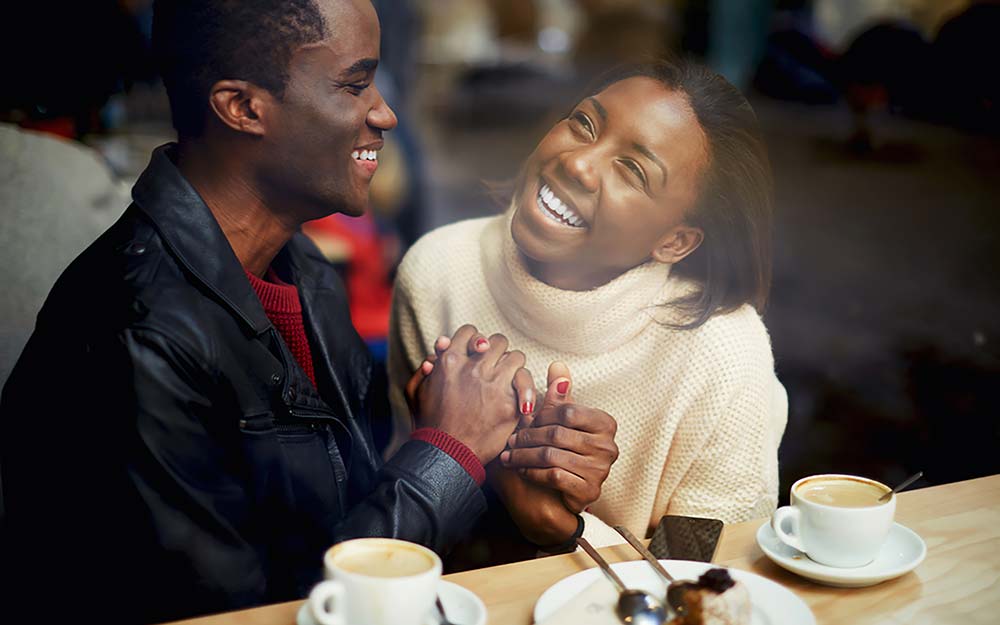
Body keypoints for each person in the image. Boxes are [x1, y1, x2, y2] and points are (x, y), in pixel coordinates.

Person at [0, 1, 599, 621]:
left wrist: (506, 494)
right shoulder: (135, 338)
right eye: (354, 85)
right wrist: (446, 452)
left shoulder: (302, 270)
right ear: (242, 107)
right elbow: (258, 613)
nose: (385, 113)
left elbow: (339, 533)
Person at [389, 59, 788, 549]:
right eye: (584, 124)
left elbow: (704, 571)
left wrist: (561, 527)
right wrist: (466, 455)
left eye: (633, 171)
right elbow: (401, 530)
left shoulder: (723, 353)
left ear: (676, 241)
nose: (577, 163)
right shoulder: (439, 270)